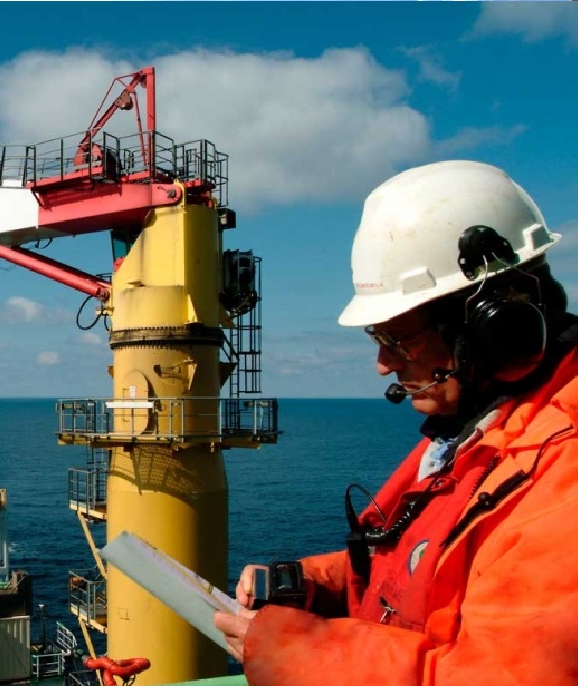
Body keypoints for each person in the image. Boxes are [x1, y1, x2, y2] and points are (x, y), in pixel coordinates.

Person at [214, 160, 578, 685]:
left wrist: (293, 652)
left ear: (493, 329)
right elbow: (414, 565)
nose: (383, 365)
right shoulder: (484, 429)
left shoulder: (562, 474)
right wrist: (312, 584)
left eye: (397, 339)